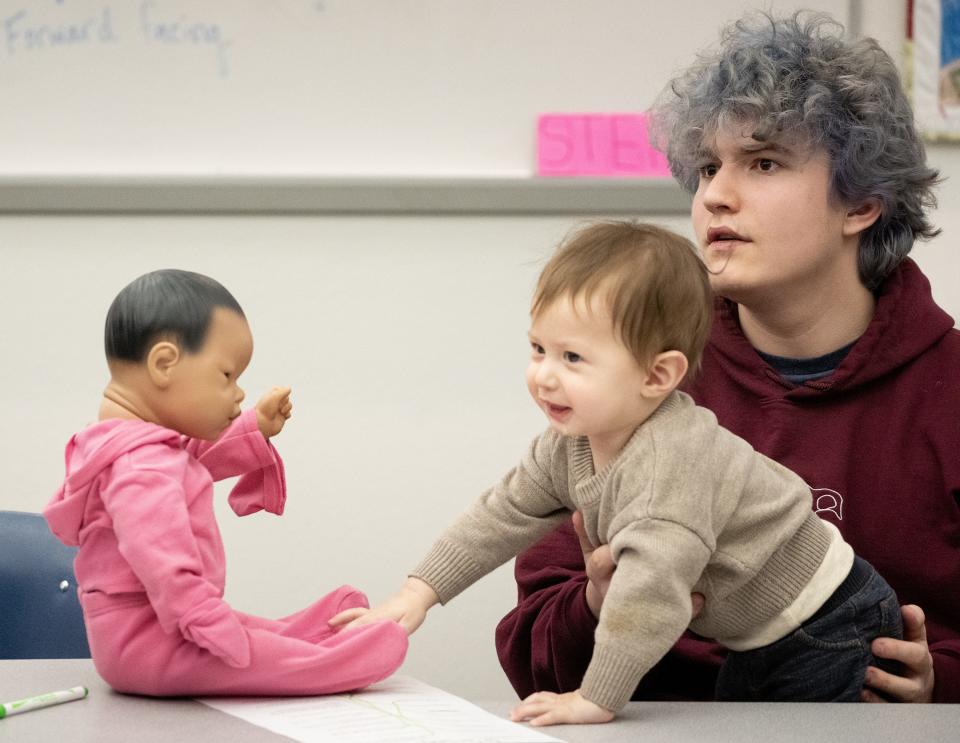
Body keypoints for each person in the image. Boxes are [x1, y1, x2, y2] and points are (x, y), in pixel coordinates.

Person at [495, 10, 960, 704]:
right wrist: (596, 606)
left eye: (764, 162)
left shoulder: (947, 392)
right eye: (708, 166)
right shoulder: (642, 370)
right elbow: (529, 652)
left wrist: (940, 681)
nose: (714, 193)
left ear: (862, 202)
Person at [331, 221, 904, 725]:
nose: (544, 377)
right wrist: (416, 594)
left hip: (831, 624)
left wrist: (595, 698)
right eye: (538, 349)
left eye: (573, 358)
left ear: (657, 376)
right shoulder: (569, 444)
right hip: (758, 636)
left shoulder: (665, 473)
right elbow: (501, 514)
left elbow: (649, 599)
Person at [44, 269, 407, 696]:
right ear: (164, 364)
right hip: (151, 642)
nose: (237, 393)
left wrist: (254, 426)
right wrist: (202, 618)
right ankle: (339, 659)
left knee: (251, 632)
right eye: (227, 376)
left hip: (146, 631)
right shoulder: (141, 466)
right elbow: (161, 559)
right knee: (255, 659)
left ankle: (306, 632)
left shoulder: (133, 448)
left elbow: (190, 461)